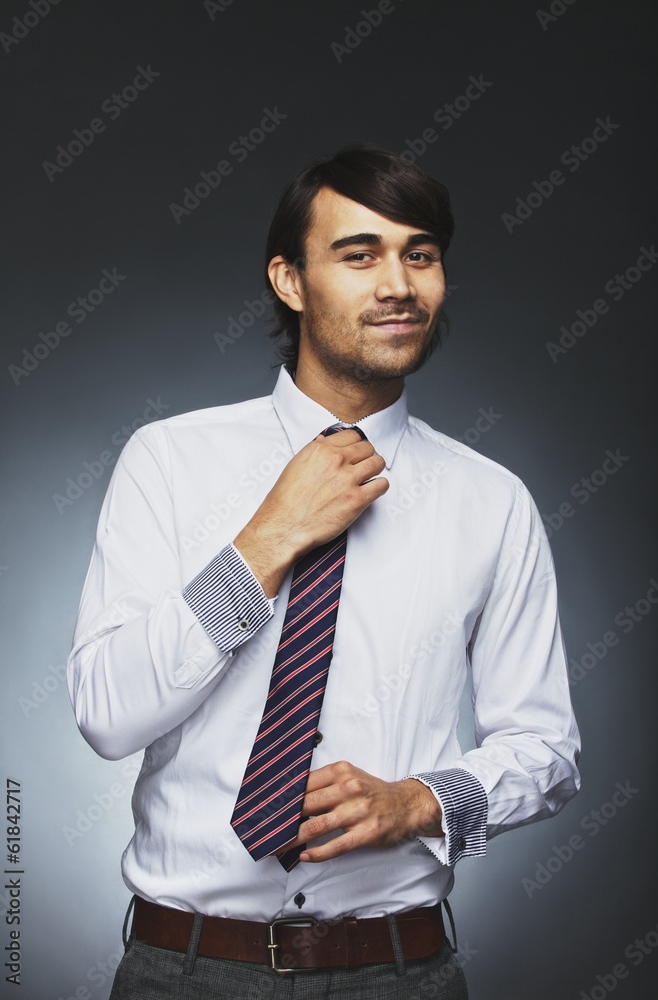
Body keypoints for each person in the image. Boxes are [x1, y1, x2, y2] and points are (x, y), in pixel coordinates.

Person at [67, 143, 581, 999]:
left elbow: (547, 751)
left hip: (399, 973)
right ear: (290, 281)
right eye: (359, 255)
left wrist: (421, 802)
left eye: (420, 254)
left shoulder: (490, 500)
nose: (397, 285)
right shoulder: (167, 460)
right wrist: (264, 543)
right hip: (184, 972)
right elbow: (106, 717)